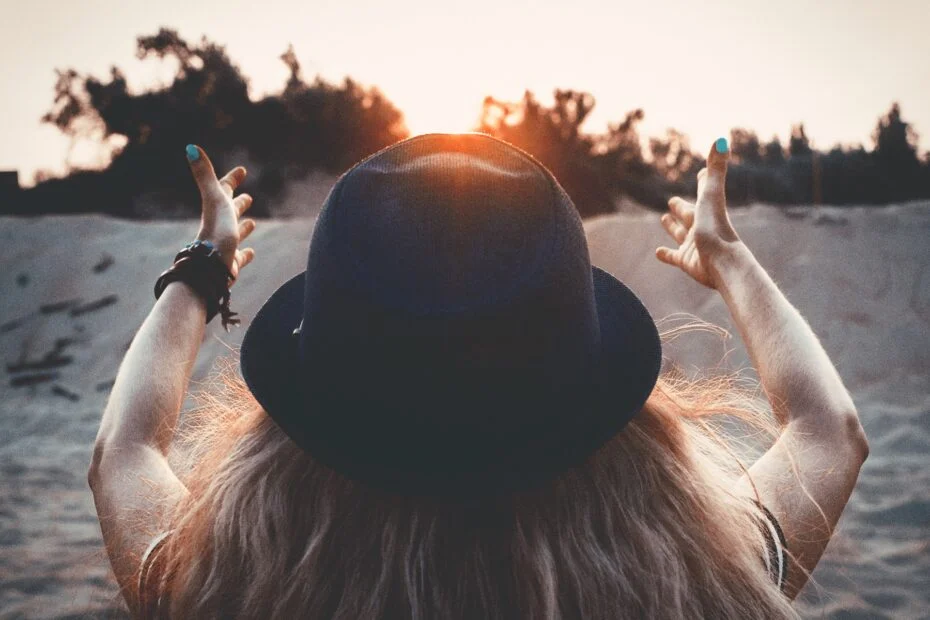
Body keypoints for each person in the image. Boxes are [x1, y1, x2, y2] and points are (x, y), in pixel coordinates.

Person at [89, 134, 868, 619]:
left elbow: (124, 451)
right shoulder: (697, 592)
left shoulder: (214, 594)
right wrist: (730, 262)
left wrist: (204, 268)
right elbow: (829, 431)